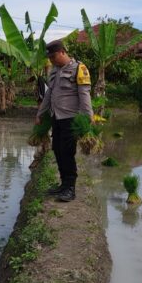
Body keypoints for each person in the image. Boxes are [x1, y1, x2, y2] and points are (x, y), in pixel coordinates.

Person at [35, 40, 93, 202]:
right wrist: (40, 113)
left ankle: (70, 188)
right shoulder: (54, 70)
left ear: (62, 52)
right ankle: (63, 184)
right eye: (50, 58)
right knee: (58, 150)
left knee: (68, 152)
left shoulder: (79, 69)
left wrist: (88, 117)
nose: (52, 60)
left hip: (71, 118)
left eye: (53, 57)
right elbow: (48, 94)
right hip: (56, 117)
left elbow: (84, 94)